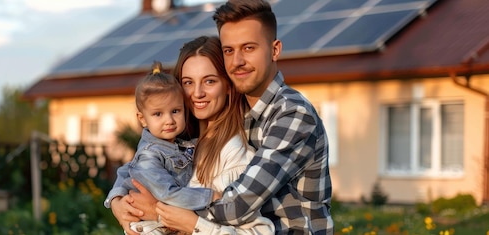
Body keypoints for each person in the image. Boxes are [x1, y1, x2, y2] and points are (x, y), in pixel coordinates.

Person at [117, 0, 334, 234]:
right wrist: (119, 201)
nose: (237, 61)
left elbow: (238, 205)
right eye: (229, 50)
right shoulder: (233, 117)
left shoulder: (292, 113)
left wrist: (158, 212)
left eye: (249, 48)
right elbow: (142, 165)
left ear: (275, 50)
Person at [109, 36, 275, 234]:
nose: (197, 93)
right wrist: (117, 201)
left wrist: (163, 214)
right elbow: (132, 168)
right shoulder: (177, 142)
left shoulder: (234, 154)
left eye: (209, 81)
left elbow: (259, 232)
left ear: (229, 86)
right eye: (188, 82)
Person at [104, 61, 214, 234]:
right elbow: (168, 194)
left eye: (175, 111)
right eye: (158, 114)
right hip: (149, 227)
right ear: (142, 119)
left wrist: (115, 197)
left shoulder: (176, 145)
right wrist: (211, 197)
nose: (169, 120)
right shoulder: (150, 154)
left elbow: (125, 170)